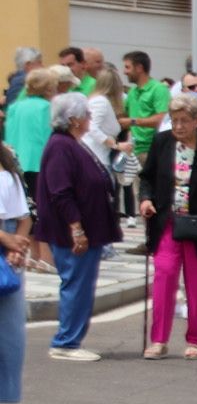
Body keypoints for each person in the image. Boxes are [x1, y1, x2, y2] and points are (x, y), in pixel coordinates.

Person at [138, 93, 197, 360]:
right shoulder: (161, 142)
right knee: (165, 277)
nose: (178, 126)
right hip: (167, 222)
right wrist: (146, 199)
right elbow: (146, 178)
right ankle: (158, 340)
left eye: (184, 120)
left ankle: (195, 339)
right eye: (174, 120)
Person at [33, 93, 121, 360]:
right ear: (73, 120)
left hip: (87, 227)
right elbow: (61, 192)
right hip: (72, 231)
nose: (90, 119)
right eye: (86, 114)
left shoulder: (71, 143)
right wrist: (77, 228)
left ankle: (70, 339)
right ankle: (66, 342)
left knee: (81, 285)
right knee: (76, 284)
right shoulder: (61, 146)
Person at [0, 144, 32, 404]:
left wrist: (16, 243)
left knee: (7, 344)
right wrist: (5, 238)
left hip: (8, 256)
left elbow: (25, 213)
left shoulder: (8, 157)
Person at [3, 68, 54, 196]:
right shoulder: (46, 107)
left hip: (15, 162)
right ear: (48, 87)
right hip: (38, 163)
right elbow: (48, 138)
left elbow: (9, 134)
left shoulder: (15, 106)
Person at [84, 68, 131, 172]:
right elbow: (91, 127)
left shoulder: (96, 100)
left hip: (96, 156)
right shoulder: (101, 102)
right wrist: (116, 145)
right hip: (97, 157)